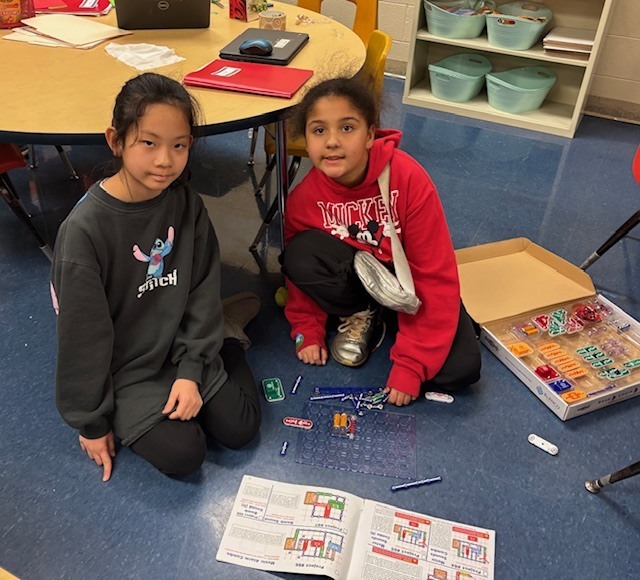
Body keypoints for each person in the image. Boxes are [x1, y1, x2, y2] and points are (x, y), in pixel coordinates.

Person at [50, 73, 262, 481]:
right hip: (127, 370)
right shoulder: (84, 231)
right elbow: (82, 337)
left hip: (180, 343)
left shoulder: (186, 204)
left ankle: (227, 336)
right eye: (149, 143)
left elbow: (201, 288)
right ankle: (221, 336)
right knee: (184, 456)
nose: (166, 160)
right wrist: (91, 423)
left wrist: (191, 370)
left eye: (179, 146)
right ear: (115, 140)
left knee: (241, 428)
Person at [281, 77, 481, 407]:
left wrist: (411, 365)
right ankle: (367, 312)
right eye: (319, 130)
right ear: (306, 138)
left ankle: (399, 321)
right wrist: (308, 327)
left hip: (410, 282)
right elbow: (299, 277)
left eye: (347, 128)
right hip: (361, 281)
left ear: (371, 134)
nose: (332, 142)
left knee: (459, 372)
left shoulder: (409, 178)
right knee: (299, 254)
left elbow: (434, 272)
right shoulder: (304, 199)